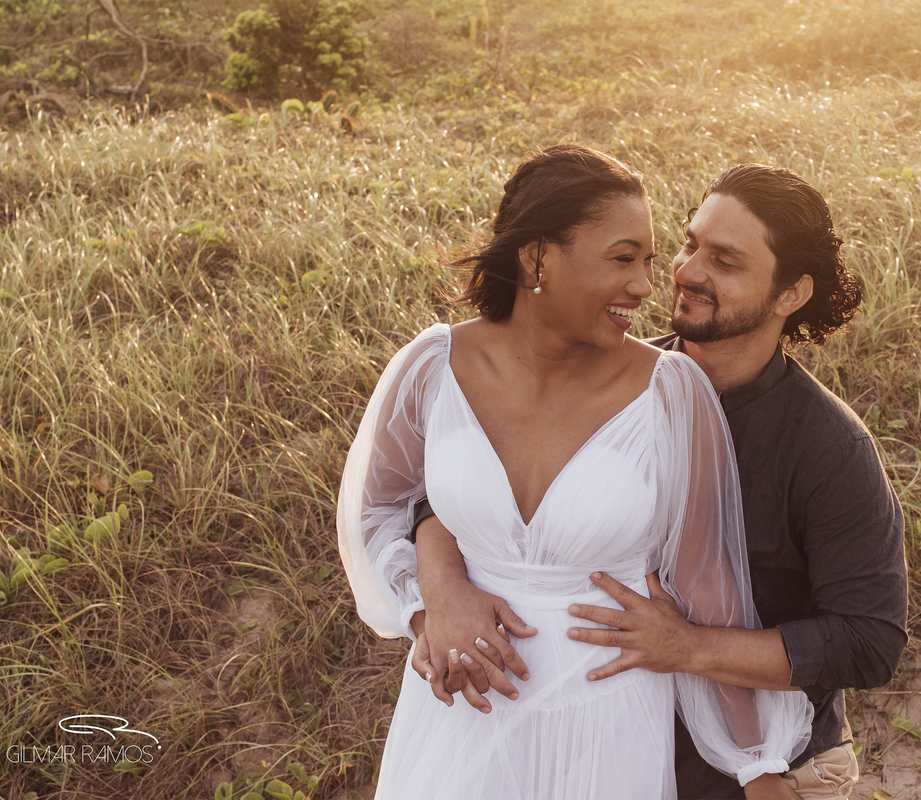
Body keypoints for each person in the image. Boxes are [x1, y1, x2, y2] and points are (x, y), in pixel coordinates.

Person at [412, 164, 908, 799]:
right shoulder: (613, 382)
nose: (687, 271)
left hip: (767, 775)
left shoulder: (829, 449)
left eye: (725, 260)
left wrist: (691, 647)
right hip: (596, 752)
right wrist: (442, 590)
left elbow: (868, 641)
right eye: (689, 243)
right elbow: (455, 485)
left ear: (790, 294)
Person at [336, 145, 813, 800]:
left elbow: (706, 586)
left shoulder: (672, 391)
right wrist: (428, 610)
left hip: (607, 723)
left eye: (649, 260)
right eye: (623, 258)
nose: (648, 285)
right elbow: (382, 511)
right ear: (537, 259)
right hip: (459, 716)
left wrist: (756, 762)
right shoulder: (432, 366)